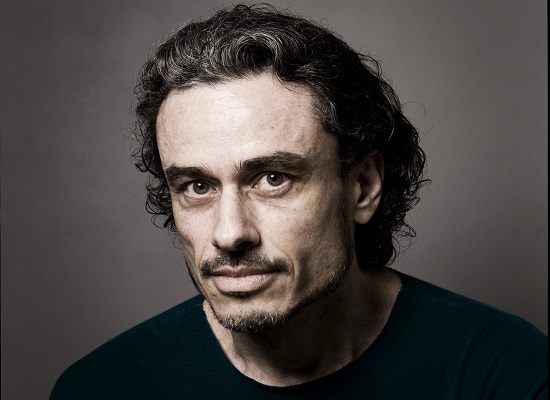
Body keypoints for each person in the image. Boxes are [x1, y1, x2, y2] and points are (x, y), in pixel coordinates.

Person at [50, 4, 547, 399]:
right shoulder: (102, 388)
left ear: (362, 186)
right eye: (197, 186)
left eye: (272, 178)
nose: (229, 233)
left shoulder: (507, 373)